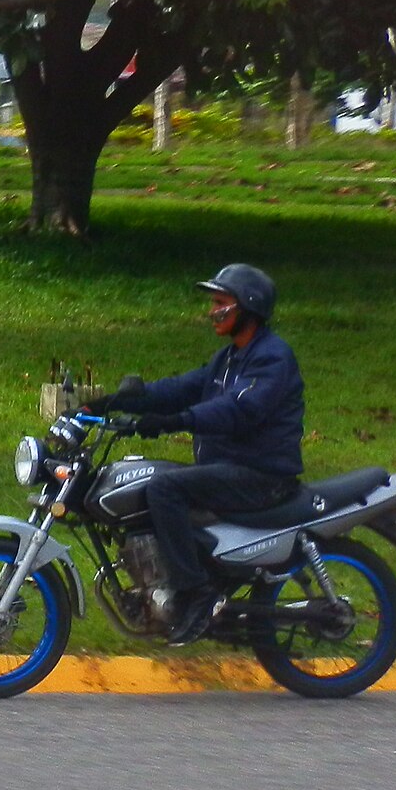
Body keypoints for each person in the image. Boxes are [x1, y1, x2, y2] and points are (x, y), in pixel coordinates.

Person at [105, 264, 304, 645]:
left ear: (248, 307)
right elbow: (181, 388)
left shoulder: (272, 358)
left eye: (221, 303)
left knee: (165, 489)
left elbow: (239, 409)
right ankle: (181, 581)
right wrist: (119, 401)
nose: (212, 312)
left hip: (261, 476)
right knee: (151, 483)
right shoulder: (227, 359)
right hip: (226, 469)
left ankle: (195, 591)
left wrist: (173, 422)